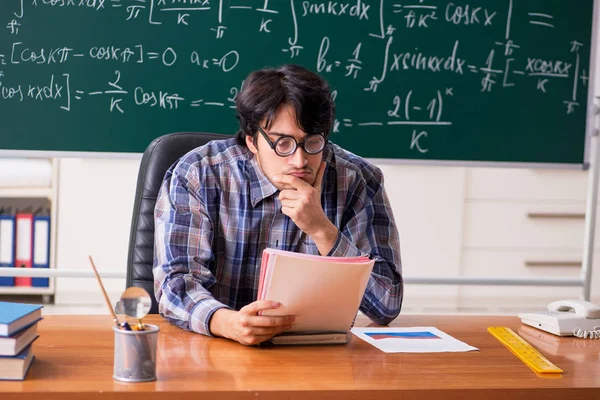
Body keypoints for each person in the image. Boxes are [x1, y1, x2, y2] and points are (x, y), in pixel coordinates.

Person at [153, 64, 403, 345]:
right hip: (217, 347)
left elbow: (387, 305)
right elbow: (175, 283)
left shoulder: (358, 180)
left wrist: (323, 230)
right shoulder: (198, 173)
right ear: (251, 140)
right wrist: (227, 322)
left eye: (312, 142)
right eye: (282, 143)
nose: (299, 161)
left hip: (315, 358)